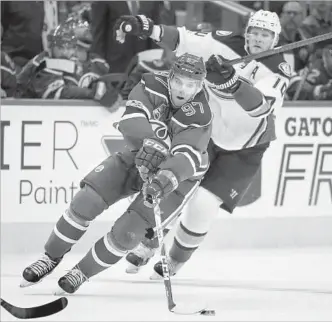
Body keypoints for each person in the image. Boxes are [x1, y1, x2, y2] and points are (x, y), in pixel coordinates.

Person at [114, 10, 292, 277]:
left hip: (245, 147)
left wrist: (234, 84)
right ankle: (147, 242)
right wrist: (146, 26)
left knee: (203, 205)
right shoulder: (223, 42)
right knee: (172, 183)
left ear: (274, 39)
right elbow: (183, 39)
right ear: (247, 31)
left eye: (265, 35)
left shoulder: (279, 69)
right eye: (254, 31)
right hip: (203, 130)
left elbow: (261, 109)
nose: (257, 39)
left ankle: (173, 261)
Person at [20, 53, 212, 294]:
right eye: (178, 81)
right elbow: (131, 119)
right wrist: (151, 142)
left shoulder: (201, 114)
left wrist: (163, 181)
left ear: (200, 86)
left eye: (191, 85)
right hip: (139, 155)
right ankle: (50, 258)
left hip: (177, 178)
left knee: (129, 232)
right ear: (170, 76)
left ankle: (81, 272)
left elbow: (187, 156)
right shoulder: (151, 84)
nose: (183, 90)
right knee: (86, 201)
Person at [15, 18, 119, 110]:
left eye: (72, 47)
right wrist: (91, 93)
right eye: (63, 47)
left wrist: (104, 90)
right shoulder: (45, 61)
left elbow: (108, 93)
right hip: (22, 112)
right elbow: (55, 93)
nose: (68, 52)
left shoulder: (97, 63)